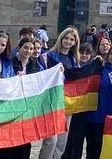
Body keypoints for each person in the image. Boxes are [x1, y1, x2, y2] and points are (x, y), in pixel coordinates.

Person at [37, 28, 78, 159]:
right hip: (52, 102)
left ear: (75, 42)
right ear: (61, 38)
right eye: (66, 38)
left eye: (72, 39)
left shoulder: (74, 59)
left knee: (61, 141)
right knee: (51, 141)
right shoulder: (48, 56)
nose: (68, 41)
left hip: (68, 102)